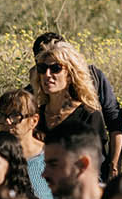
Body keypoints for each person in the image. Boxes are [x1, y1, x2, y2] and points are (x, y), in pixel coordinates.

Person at [33, 39, 112, 180]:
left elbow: (97, 166)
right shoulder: (35, 116)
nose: (47, 74)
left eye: (55, 68)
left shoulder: (89, 115)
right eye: (42, 69)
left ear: (69, 75)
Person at [0, 90, 53, 199]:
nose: (8, 122)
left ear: (34, 120)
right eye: (2, 116)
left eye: (15, 116)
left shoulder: (51, 157)